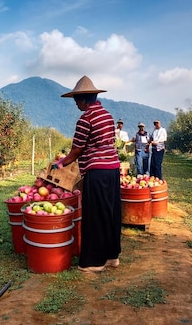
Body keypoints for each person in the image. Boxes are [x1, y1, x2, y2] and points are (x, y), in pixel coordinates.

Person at [52, 75, 121, 272]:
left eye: (76, 101)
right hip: (113, 170)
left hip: (97, 171)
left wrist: (59, 164)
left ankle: (94, 262)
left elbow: (77, 150)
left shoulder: (85, 119)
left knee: (95, 216)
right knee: (110, 213)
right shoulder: (107, 115)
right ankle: (112, 256)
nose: (76, 104)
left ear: (83, 100)